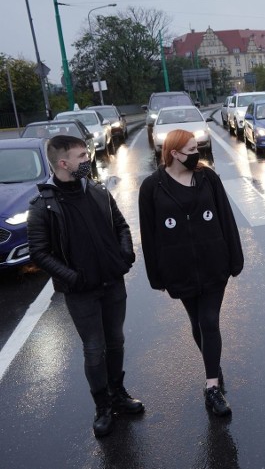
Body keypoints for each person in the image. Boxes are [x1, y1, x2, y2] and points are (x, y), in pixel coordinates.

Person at [27, 135, 143, 438]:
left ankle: (118, 393)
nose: (87, 159)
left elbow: (121, 226)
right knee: (94, 349)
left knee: (116, 341)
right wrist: (72, 278)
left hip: (113, 284)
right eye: (81, 156)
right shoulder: (43, 205)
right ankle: (103, 406)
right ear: (63, 163)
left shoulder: (97, 191)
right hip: (81, 293)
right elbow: (39, 252)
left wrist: (125, 254)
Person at [138, 129, 243, 417]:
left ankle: (212, 387)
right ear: (173, 153)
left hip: (214, 264)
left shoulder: (208, 178)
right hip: (179, 268)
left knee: (209, 321)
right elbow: (149, 234)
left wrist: (235, 259)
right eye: (191, 148)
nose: (197, 153)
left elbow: (226, 217)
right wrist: (155, 275)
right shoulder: (152, 187)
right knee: (196, 323)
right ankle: (214, 363)